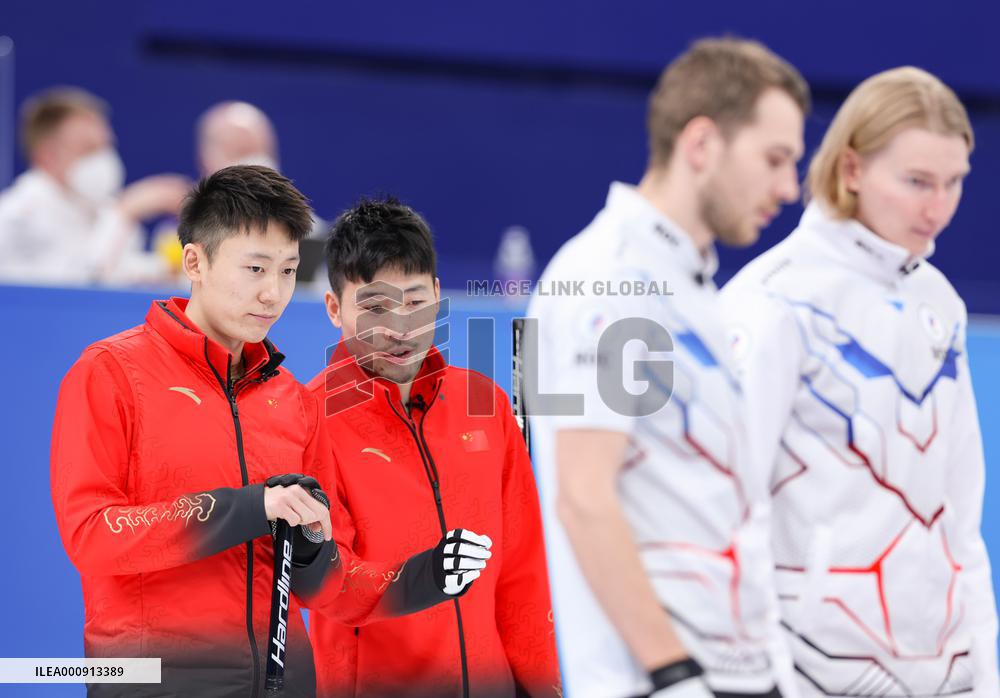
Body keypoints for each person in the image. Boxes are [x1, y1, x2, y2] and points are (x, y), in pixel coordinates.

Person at [50, 166, 494, 697]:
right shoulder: (110, 372)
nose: (273, 294)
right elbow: (93, 537)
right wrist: (247, 508)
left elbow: (330, 584)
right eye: (255, 268)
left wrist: (426, 575)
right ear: (195, 261)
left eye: (287, 271)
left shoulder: (290, 399)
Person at [526, 38, 810, 697]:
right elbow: (583, 497)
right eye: (775, 159)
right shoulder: (609, 278)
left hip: (739, 668)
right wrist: (671, 674)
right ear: (702, 144)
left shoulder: (685, 280)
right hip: (659, 678)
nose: (789, 188)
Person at [720, 67, 999, 697]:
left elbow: (961, 519)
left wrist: (985, 677)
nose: (939, 206)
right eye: (917, 181)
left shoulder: (941, 304)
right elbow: (729, 514)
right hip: (814, 670)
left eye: (955, 183)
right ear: (851, 170)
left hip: (946, 672)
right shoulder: (772, 300)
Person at [305, 197, 561, 698]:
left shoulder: (483, 404)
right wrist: (425, 575)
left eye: (416, 301)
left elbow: (523, 577)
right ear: (335, 308)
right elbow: (329, 582)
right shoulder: (308, 421)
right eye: (375, 306)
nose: (400, 327)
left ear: (439, 297)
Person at [0, 87, 190, 285]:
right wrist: (125, 211)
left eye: (106, 146)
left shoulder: (90, 205)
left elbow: (118, 271)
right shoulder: (18, 215)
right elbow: (76, 288)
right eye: (89, 148)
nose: (103, 159)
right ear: (47, 156)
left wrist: (165, 270)